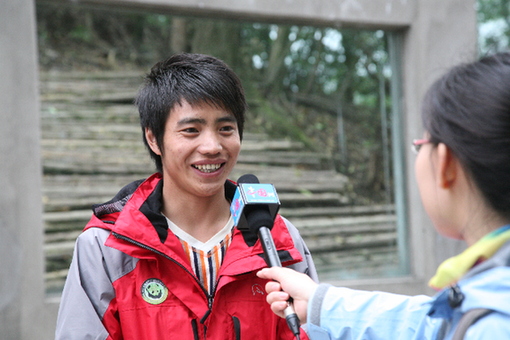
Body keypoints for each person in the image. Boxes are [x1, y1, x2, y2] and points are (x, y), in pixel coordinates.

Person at [55, 53, 318, 340]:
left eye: (226, 129)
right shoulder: (107, 247)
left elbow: (311, 332)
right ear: (154, 138)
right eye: (191, 130)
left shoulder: (278, 239)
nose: (212, 146)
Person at [257, 52, 510, 339]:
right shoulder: (485, 300)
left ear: (446, 164)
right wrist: (319, 303)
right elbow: (430, 324)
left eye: (420, 144)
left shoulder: (491, 324)